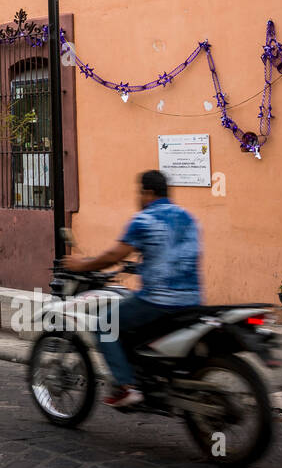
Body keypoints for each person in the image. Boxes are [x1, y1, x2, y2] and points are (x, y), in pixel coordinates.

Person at [64, 169, 202, 409]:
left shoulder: (144, 219)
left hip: (158, 301)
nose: (138, 197)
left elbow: (113, 255)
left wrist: (81, 264)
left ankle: (126, 387)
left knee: (105, 323)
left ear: (147, 192)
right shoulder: (188, 217)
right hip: (192, 300)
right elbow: (175, 257)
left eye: (140, 192)